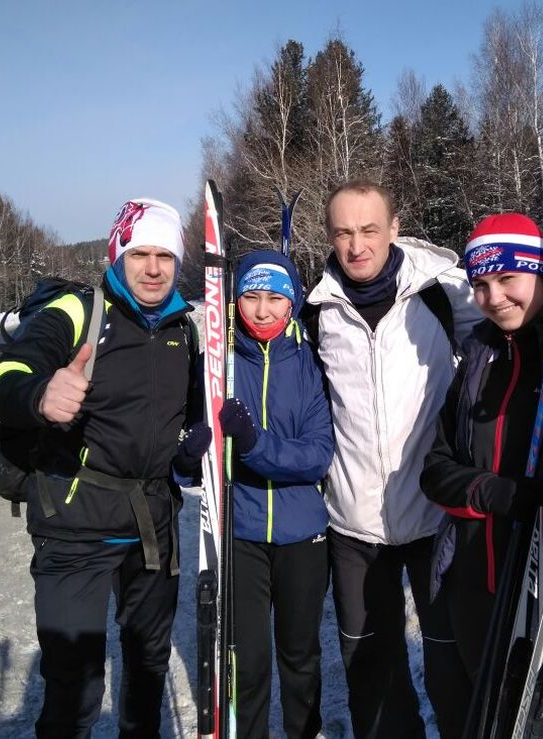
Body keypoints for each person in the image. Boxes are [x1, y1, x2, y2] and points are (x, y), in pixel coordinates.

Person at [0, 198, 205, 738]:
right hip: (74, 526)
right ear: (118, 254)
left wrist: (191, 448)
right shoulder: (78, 313)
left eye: (166, 256)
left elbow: (183, 427)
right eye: (140, 254)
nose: (154, 269)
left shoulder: (184, 329)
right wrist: (38, 394)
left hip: (152, 527)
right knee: (75, 688)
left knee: (147, 671)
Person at [303, 180, 483, 739]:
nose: (356, 245)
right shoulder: (317, 311)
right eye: (343, 233)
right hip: (355, 527)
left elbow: (509, 333)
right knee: (372, 673)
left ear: (394, 228)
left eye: (369, 230)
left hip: (435, 518)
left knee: (452, 664)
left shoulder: (444, 294)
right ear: (329, 235)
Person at [420, 212, 543, 685]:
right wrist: (494, 492)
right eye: (480, 285)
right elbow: (435, 470)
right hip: (476, 583)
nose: (494, 297)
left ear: (541, 271)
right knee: (485, 708)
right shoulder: (477, 356)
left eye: (507, 279)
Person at [220, 249, 334, 739]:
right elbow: (196, 452)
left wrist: (254, 445)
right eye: (251, 297)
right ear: (235, 301)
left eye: (274, 298)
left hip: (302, 535)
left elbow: (317, 455)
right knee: (246, 662)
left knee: (300, 656)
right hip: (241, 533)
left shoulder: (312, 362)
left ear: (292, 303)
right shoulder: (219, 362)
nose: (262, 310)